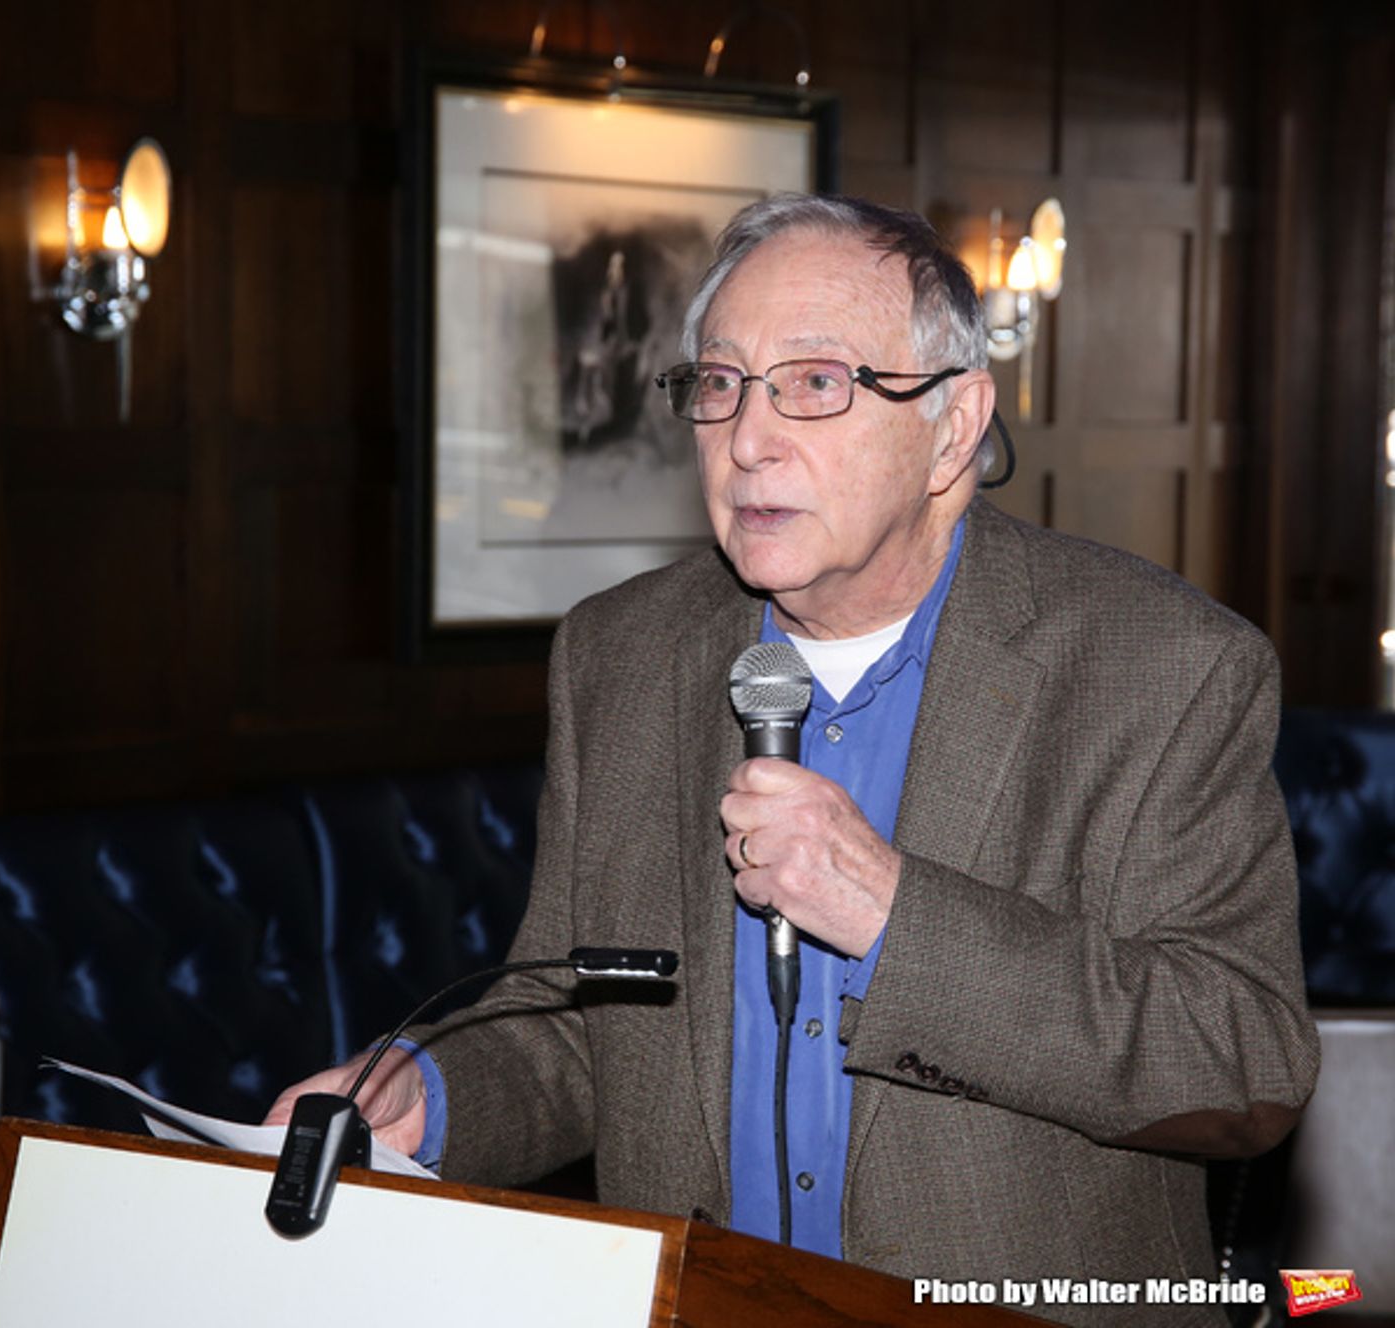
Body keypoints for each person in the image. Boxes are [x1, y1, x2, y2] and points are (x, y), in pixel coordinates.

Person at [268, 194, 1318, 1325]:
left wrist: (895, 915)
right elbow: (581, 1023)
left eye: (815, 383)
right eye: (718, 385)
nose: (747, 439)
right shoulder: (620, 654)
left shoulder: (1162, 667)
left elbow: (1242, 1063)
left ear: (953, 428)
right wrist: (424, 1091)